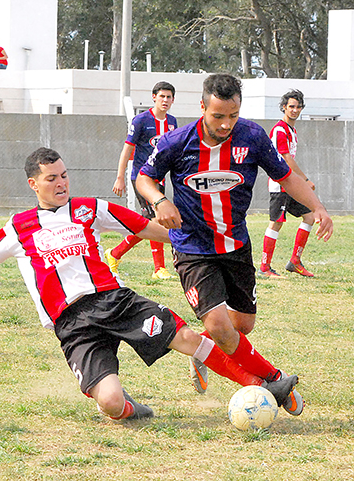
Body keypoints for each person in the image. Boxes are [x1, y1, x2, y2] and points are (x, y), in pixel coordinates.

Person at [0, 148, 298, 422]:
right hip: (71, 323)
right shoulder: (19, 226)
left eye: (64, 175)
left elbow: (145, 227)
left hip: (115, 300)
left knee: (187, 339)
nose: (61, 183)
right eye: (52, 178)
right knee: (111, 403)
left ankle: (260, 386)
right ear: (34, 183)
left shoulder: (88, 208)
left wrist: (190, 238)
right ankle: (132, 409)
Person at [137, 73, 334, 415]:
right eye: (218, 116)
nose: (226, 124)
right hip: (193, 248)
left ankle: (205, 354)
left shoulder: (253, 136)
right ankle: (270, 381)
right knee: (220, 326)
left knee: (241, 327)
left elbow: (286, 177)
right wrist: (159, 200)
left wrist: (317, 207)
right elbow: (144, 177)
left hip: (236, 244)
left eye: (233, 115)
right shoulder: (175, 142)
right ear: (202, 108)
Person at [108, 82, 178, 280]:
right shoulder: (141, 121)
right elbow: (127, 149)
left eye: (169, 97)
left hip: (160, 178)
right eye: (162, 96)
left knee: (148, 223)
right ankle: (159, 269)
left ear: (173, 100)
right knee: (158, 219)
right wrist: (120, 177)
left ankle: (115, 254)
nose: (165, 100)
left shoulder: (172, 122)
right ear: (154, 97)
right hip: (142, 178)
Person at [258, 89, 317, 278]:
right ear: (284, 107)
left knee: (309, 217)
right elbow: (285, 158)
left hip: (290, 185)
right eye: (291, 106)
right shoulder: (279, 130)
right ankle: (265, 267)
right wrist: (304, 180)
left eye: (298, 107)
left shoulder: (292, 130)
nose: (295, 110)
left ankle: (295, 261)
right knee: (276, 223)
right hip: (280, 184)